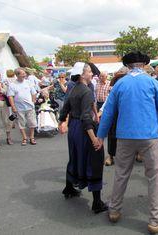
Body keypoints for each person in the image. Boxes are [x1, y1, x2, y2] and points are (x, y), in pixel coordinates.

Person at [97, 52, 158, 234]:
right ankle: (156, 219)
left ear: (127, 65)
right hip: (149, 136)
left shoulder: (120, 84)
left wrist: (100, 135)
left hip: (124, 136)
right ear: (144, 64)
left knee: (121, 174)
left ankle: (114, 210)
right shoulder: (153, 83)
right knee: (154, 177)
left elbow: (108, 112)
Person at [58, 62, 107, 214]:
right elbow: (86, 118)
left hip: (73, 128)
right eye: (90, 72)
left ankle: (69, 188)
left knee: (75, 157)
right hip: (83, 129)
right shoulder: (86, 91)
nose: (92, 74)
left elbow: (65, 108)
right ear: (83, 74)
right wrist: (95, 140)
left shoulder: (73, 88)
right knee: (94, 161)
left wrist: (62, 122)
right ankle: (97, 203)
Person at [7, 68, 37, 146]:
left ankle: (32, 137)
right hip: (19, 108)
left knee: (32, 123)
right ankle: (24, 138)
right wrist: (13, 107)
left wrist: (33, 102)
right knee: (21, 124)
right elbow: (10, 96)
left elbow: (34, 93)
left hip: (30, 107)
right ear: (17, 75)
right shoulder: (12, 85)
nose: (24, 75)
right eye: (22, 74)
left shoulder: (28, 82)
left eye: (25, 73)